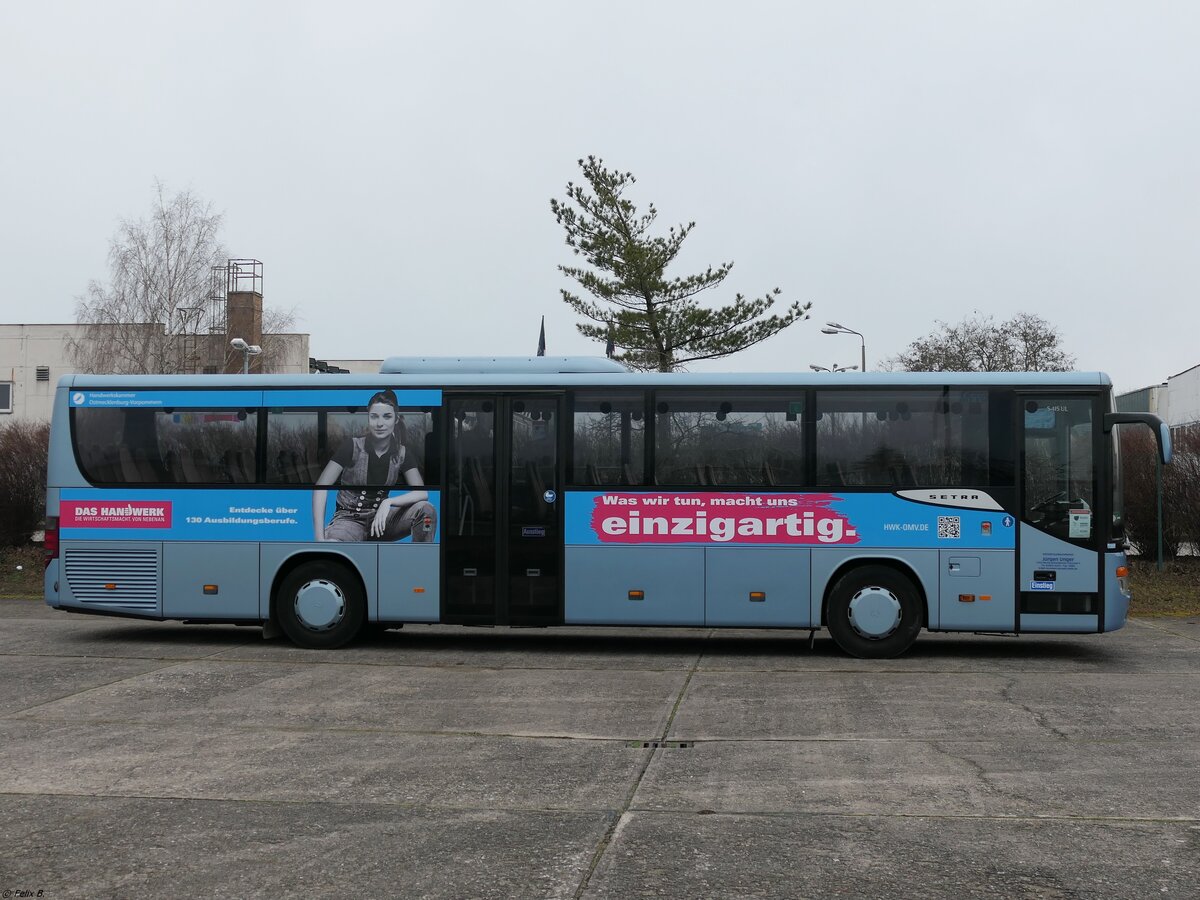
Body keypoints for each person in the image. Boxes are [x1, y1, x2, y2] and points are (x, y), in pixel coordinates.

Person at [312, 389, 436, 542]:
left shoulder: (402, 453)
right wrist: (319, 539)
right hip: (349, 520)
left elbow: (422, 493)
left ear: (396, 419)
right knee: (334, 545)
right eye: (374, 416)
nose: (380, 423)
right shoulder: (352, 446)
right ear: (368, 418)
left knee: (426, 510)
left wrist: (388, 502)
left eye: (387, 416)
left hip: (381, 521)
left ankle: (420, 556)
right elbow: (320, 487)